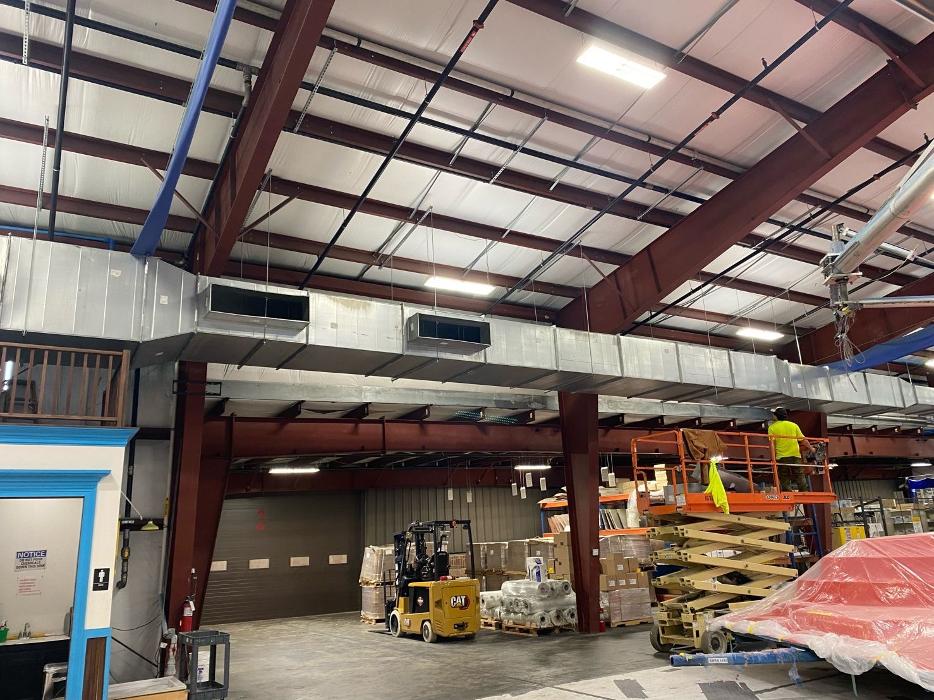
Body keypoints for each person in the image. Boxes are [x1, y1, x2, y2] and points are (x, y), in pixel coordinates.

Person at [768, 408, 814, 491]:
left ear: (776, 416)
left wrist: (773, 459)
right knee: (799, 475)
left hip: (782, 457)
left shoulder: (772, 427)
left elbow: (772, 445)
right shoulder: (794, 425)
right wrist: (811, 448)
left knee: (784, 476)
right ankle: (804, 491)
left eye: (774, 414)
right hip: (795, 455)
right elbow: (803, 440)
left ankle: (787, 492)